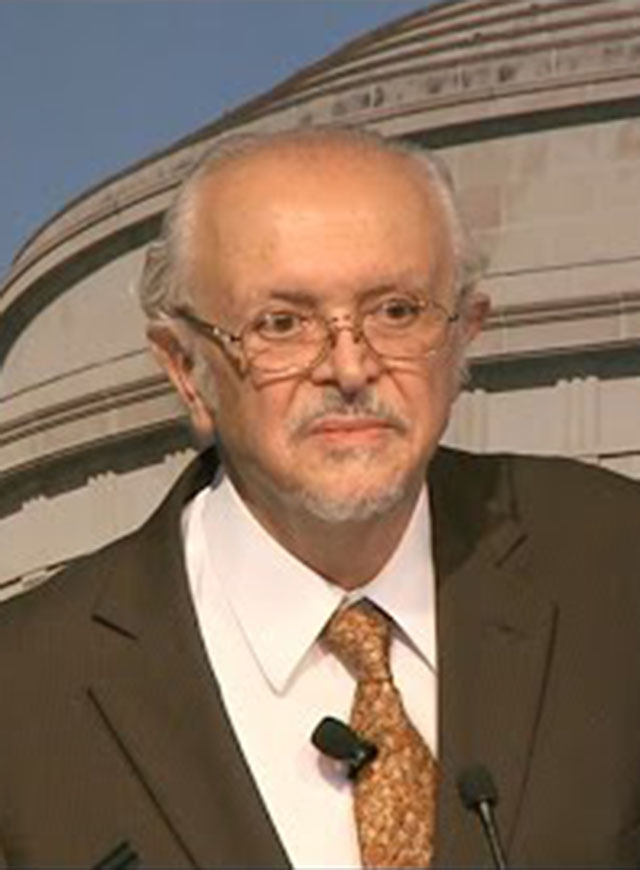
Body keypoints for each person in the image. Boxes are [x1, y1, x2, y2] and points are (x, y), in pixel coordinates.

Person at [1, 127, 640, 870]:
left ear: (465, 334)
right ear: (185, 370)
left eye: (396, 311)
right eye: (282, 324)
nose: (350, 365)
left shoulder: (614, 564)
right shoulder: (25, 689)